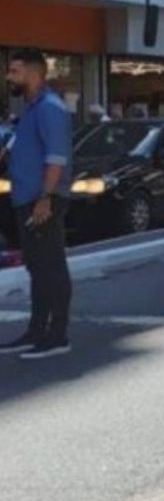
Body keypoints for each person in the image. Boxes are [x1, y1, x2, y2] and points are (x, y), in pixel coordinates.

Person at [0, 49, 74, 359]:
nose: (9, 77)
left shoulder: (50, 109)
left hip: (42, 200)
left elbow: (56, 158)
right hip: (26, 198)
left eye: (15, 71)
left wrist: (45, 197)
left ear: (34, 73)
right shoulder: (30, 109)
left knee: (51, 267)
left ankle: (56, 336)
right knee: (37, 268)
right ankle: (36, 331)